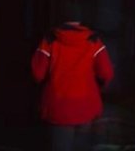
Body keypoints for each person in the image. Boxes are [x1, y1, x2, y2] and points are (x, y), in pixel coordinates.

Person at [31, 8, 114, 151]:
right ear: (80, 21)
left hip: (59, 108)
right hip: (86, 106)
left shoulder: (50, 40)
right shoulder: (94, 40)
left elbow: (37, 74)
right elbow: (107, 73)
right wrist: (99, 87)